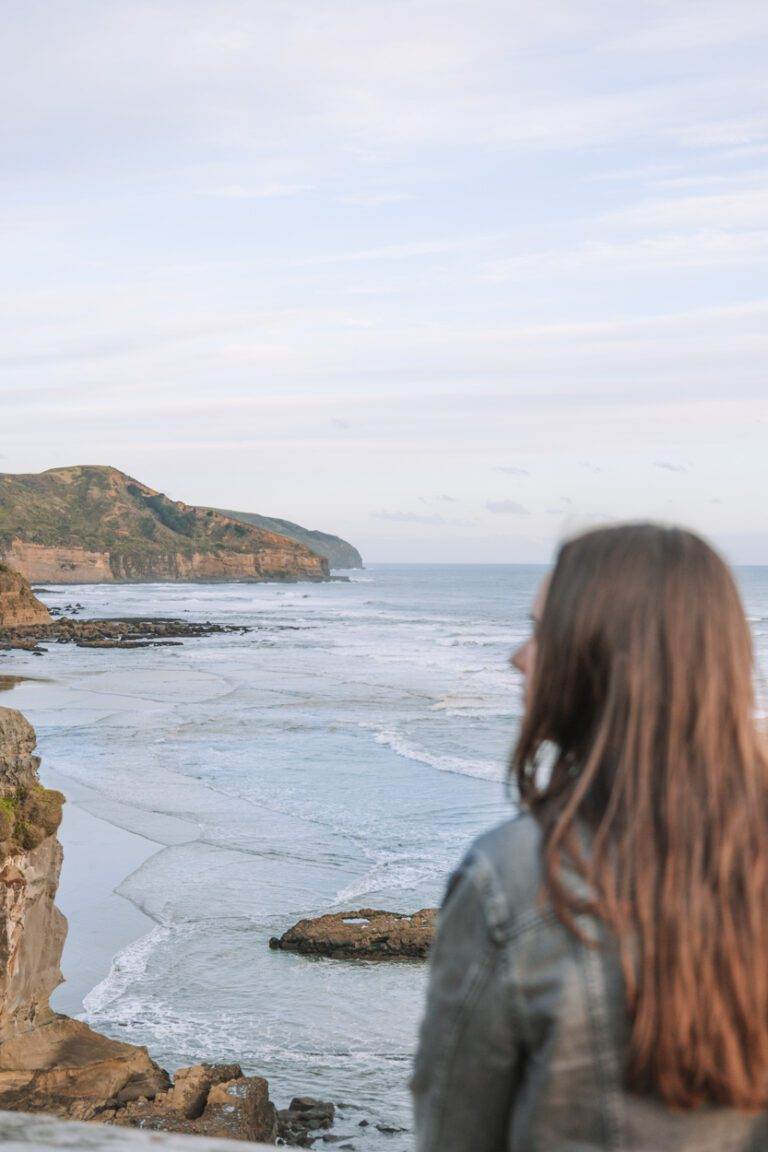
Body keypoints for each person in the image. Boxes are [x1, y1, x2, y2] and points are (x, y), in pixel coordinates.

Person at [411, 523, 768, 1151]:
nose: (517, 657)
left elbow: (453, 1136)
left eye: (543, 633)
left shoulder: (515, 879)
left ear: (601, 660)